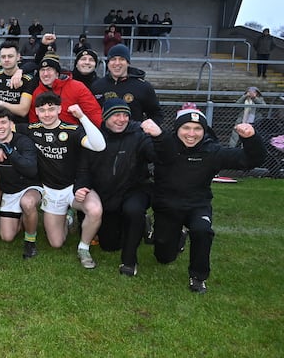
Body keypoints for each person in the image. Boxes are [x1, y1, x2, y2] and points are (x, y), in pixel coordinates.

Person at [140, 107, 265, 293]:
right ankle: (176, 234)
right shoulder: (162, 146)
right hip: (167, 206)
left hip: (197, 205)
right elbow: (163, 152)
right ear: (177, 129)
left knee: (202, 231)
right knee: (164, 257)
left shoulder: (212, 151)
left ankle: (198, 277)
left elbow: (251, 160)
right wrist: (157, 135)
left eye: (197, 129)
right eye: (186, 128)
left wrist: (251, 138)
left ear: (204, 131)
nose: (191, 134)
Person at [25, 92, 106, 269]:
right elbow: (3, 129)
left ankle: (84, 248)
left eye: (51, 109)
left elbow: (99, 146)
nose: (47, 114)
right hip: (51, 191)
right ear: (36, 111)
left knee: (95, 210)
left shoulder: (72, 130)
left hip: (74, 188)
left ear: (60, 109)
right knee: (56, 243)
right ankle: (68, 218)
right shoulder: (32, 130)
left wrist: (82, 117)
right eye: (42, 110)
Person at [78, 99, 155, 276]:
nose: (122, 119)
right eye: (116, 115)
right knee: (109, 244)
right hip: (107, 194)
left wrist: (157, 137)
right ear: (105, 116)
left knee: (133, 210)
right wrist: (81, 186)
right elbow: (83, 168)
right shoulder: (94, 134)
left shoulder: (139, 134)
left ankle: (129, 261)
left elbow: (156, 154)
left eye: (125, 115)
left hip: (134, 189)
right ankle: (140, 225)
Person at [0, 106, 42, 258]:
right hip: (10, 192)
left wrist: (10, 152)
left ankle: (30, 241)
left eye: (3, 122)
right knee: (7, 237)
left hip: (29, 187)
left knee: (27, 203)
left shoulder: (24, 142)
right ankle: (22, 218)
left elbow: (31, 170)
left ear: (11, 124)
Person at [91, 44, 163, 125]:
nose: (117, 63)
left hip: (134, 136)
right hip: (104, 136)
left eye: (122, 59)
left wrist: (146, 130)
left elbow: (156, 114)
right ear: (108, 63)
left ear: (128, 63)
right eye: (113, 59)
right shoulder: (97, 86)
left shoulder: (143, 87)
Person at [28, 53, 102, 126]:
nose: (45, 74)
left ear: (57, 74)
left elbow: (93, 113)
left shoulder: (76, 87)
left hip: (73, 133)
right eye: (42, 70)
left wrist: (102, 132)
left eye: (49, 70)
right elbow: (34, 119)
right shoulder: (37, 92)